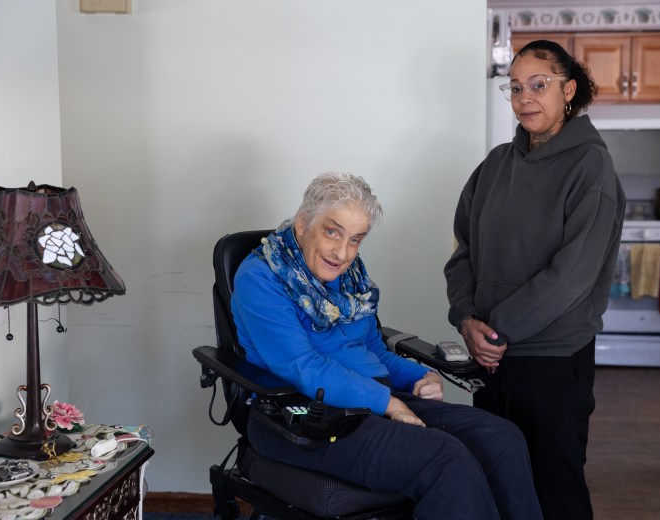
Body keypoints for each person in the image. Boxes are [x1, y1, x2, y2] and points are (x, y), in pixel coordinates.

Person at [231, 171, 543, 520]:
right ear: (303, 223)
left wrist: (418, 376)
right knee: (443, 458)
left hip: (370, 400)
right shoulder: (261, 278)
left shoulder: (349, 279)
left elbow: (374, 352)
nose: (342, 253)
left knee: (501, 438)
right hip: (300, 415)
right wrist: (390, 404)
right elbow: (303, 367)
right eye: (332, 232)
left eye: (355, 240)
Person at [444, 40, 626, 520]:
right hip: (491, 359)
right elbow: (463, 253)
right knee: (495, 484)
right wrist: (466, 318)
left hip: (551, 361)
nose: (524, 98)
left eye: (538, 85)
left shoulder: (591, 166)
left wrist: (495, 331)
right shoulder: (495, 165)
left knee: (555, 493)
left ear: (568, 90)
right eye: (516, 87)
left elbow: (572, 276)